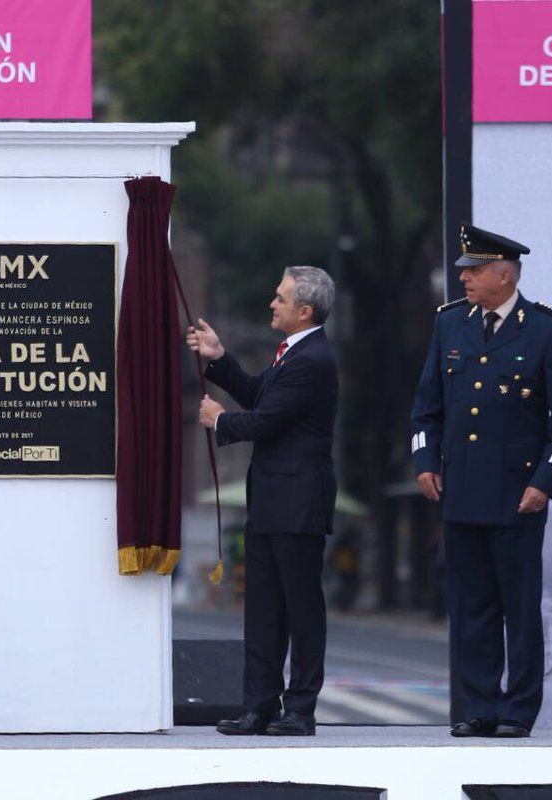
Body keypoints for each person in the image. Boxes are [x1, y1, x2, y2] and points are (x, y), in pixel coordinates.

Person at [412, 224, 552, 739]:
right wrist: (425, 463)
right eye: (464, 270)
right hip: (461, 489)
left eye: (475, 270)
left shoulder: (549, 330)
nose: (464, 278)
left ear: (504, 275)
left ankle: (517, 709)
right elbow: (426, 409)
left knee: (519, 608)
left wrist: (544, 483)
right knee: (471, 608)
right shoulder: (450, 325)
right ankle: (478, 705)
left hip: (517, 496)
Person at [187, 265, 338, 737]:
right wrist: (220, 359)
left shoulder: (313, 359)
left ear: (305, 310)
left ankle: (300, 709)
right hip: (271, 499)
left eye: (281, 297)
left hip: (298, 502)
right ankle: (258, 706)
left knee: (300, 609)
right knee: (264, 607)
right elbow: (259, 394)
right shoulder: (289, 355)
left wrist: (219, 421)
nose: (272, 304)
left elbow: (266, 420)